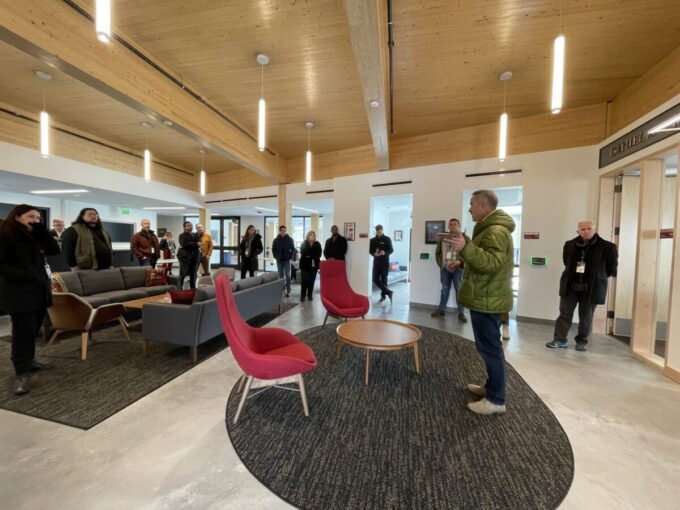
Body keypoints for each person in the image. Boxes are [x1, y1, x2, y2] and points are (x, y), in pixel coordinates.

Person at [451, 189, 515, 415]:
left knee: (490, 349)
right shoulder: (489, 229)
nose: (469, 208)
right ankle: (491, 387)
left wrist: (465, 248)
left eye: (472, 204)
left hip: (488, 299)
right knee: (487, 347)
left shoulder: (495, 231)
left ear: (483, 206)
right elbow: (485, 260)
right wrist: (462, 262)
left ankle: (496, 400)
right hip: (485, 296)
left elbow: (491, 263)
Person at [0, 204, 60, 395]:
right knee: (22, 333)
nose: (35, 220)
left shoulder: (34, 235)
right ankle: (21, 373)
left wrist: (42, 231)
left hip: (39, 290)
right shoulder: (5, 235)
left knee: (33, 329)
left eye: (38, 218)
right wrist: (27, 276)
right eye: (30, 217)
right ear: (17, 217)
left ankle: (30, 360)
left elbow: (53, 250)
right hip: (20, 292)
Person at [546, 220, 618, 352]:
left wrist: (597, 276)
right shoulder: (569, 245)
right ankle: (559, 339)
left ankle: (582, 341)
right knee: (564, 314)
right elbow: (566, 262)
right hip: (570, 286)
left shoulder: (608, 247)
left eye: (589, 229)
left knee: (586, 316)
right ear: (578, 231)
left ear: (594, 229)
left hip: (591, 288)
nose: (586, 231)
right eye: (582, 229)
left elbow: (611, 269)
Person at [431, 218, 468, 322]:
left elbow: (468, 254)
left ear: (459, 226)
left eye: (455, 224)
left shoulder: (464, 238)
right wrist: (442, 265)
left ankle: (461, 312)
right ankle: (441, 309)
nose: (452, 226)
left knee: (459, 290)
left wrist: (460, 263)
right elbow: (438, 253)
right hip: (445, 269)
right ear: (448, 227)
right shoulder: (443, 238)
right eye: (450, 224)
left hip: (457, 269)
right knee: (445, 289)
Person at [369, 224, 394, 303]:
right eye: (377, 232)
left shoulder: (387, 239)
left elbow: (391, 250)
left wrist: (385, 252)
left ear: (382, 230)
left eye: (380, 232)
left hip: (384, 262)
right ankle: (389, 292)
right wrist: (374, 254)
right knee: (374, 279)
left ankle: (383, 297)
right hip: (376, 262)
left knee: (384, 280)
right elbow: (370, 250)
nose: (379, 233)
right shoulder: (372, 240)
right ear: (375, 231)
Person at [272, 225, 295, 297]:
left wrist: (290, 256)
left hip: (287, 260)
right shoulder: (276, 240)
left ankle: (288, 290)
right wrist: (275, 256)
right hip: (279, 260)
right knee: (281, 276)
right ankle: (282, 290)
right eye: (282, 230)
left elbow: (293, 249)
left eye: (285, 230)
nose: (283, 232)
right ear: (279, 231)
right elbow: (273, 249)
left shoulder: (290, 239)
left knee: (288, 275)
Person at [299, 231, 322, 302]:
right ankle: (303, 295)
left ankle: (309, 295)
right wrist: (311, 254)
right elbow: (303, 252)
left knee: (311, 281)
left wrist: (309, 255)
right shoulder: (304, 243)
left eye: (313, 235)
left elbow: (319, 254)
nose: (312, 236)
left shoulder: (317, 244)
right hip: (304, 265)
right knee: (305, 281)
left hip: (314, 265)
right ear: (308, 236)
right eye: (311, 235)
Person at [177, 221, 200, 289]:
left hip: (195, 257)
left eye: (191, 225)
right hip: (185, 258)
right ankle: (179, 288)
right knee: (182, 274)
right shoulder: (181, 235)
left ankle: (193, 288)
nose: (190, 227)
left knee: (194, 274)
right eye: (188, 226)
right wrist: (195, 244)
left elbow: (199, 243)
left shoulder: (196, 235)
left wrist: (192, 244)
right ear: (184, 227)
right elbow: (184, 244)